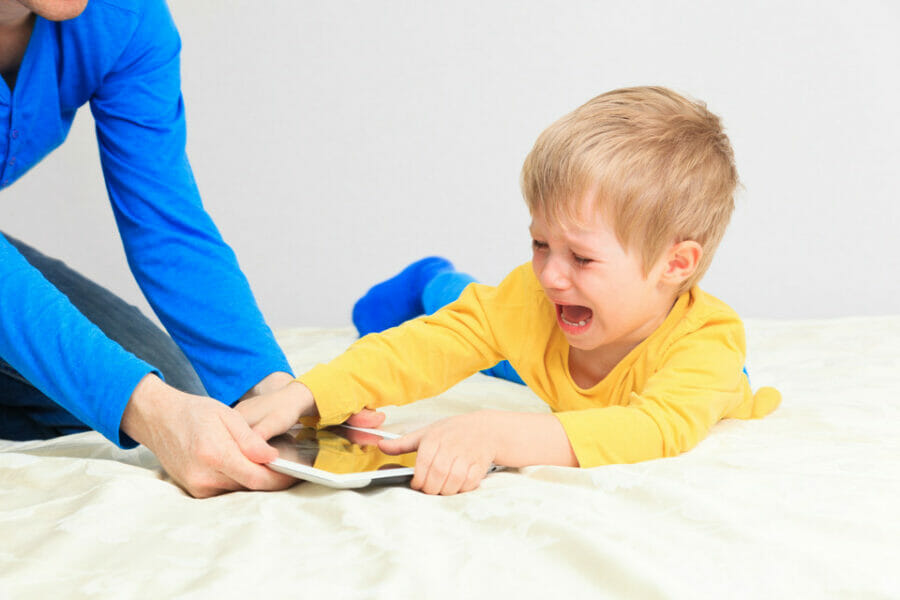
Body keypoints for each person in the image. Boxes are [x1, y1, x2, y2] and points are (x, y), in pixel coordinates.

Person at [239, 86, 782, 496]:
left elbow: (654, 428)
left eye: (582, 257)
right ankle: (433, 281)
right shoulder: (542, 297)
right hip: (554, 340)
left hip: (585, 363)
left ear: (674, 264)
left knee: (504, 361)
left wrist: (495, 434)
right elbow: (434, 346)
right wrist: (310, 393)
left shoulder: (708, 345)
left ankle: (439, 282)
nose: (550, 273)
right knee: (472, 317)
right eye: (540, 243)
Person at [0, 0, 380, 498]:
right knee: (139, 403)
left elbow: (164, 218)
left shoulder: (125, 16)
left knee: (177, 389)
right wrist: (147, 409)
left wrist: (270, 390)